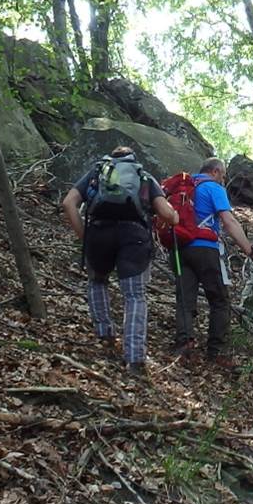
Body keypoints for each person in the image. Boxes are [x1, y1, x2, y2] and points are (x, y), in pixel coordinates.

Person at [62, 146, 177, 376]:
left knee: (97, 282)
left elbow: (68, 203)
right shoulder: (143, 176)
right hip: (134, 237)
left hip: (99, 233)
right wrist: (175, 215)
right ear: (133, 158)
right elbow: (166, 214)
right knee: (134, 295)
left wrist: (84, 235)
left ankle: (105, 335)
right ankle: (134, 359)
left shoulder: (97, 172)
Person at [172, 156, 253, 367]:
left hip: (180, 249)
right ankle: (215, 351)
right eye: (223, 176)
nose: (223, 180)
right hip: (205, 249)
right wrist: (251, 251)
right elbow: (229, 221)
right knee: (219, 300)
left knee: (185, 299)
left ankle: (184, 345)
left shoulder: (185, 187)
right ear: (214, 171)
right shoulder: (213, 188)